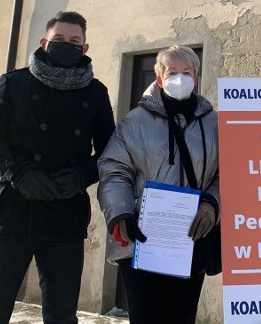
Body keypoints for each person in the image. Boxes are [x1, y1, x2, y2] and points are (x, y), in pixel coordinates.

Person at [0, 10, 115, 324]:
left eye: (74, 41)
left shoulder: (95, 93)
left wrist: (79, 177)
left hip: (65, 216)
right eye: (59, 39)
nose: (66, 45)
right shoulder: (14, 83)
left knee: (62, 317)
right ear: (44, 42)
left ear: (85, 48)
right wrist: (19, 172)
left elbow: (109, 154)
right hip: (11, 213)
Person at [98, 45, 219, 324]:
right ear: (159, 78)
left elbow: (226, 174)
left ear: (196, 78)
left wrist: (212, 205)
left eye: (186, 72)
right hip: (142, 237)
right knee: (146, 317)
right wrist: (121, 212)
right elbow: (114, 170)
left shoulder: (213, 124)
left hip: (190, 238)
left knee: (181, 318)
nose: (179, 78)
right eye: (172, 72)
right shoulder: (135, 122)